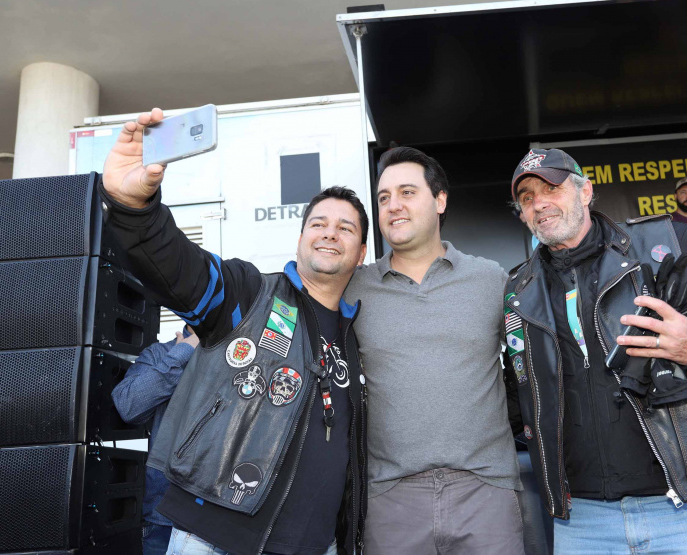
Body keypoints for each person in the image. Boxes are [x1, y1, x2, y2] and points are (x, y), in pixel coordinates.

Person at [100, 108, 368, 555]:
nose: (329, 234)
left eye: (346, 228)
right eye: (318, 223)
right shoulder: (249, 293)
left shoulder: (357, 336)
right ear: (300, 238)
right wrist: (135, 210)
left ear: (360, 253)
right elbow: (180, 269)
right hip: (212, 537)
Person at [503, 148, 687, 554]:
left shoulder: (668, 242)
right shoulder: (517, 291)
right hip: (582, 523)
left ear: (585, 192)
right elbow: (515, 396)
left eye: (552, 187)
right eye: (526, 197)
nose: (539, 202)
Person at [343, 146, 525, 555]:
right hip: (390, 499)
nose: (393, 206)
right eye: (384, 197)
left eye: (407, 192)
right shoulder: (355, 289)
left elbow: (530, 364)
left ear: (440, 200)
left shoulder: (489, 279)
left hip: (486, 491)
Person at [112, 325, 199, 555]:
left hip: (230, 522)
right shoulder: (161, 353)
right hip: (166, 521)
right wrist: (181, 355)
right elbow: (129, 406)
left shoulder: (241, 353)